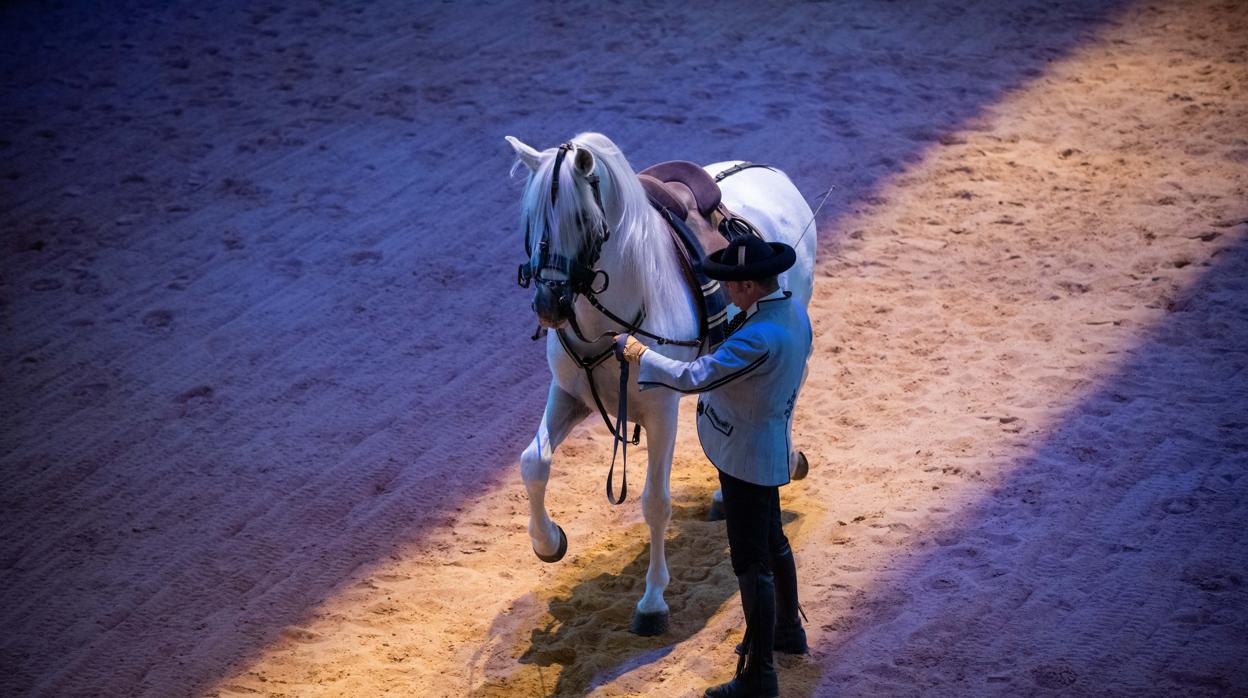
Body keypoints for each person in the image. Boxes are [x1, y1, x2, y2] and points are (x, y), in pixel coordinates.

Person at [618, 235, 812, 698]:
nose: (724, 291)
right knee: (773, 541)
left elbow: (693, 376)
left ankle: (760, 676)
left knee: (751, 564)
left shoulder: (758, 337)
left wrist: (640, 353)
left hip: (744, 455)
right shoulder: (790, 313)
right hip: (766, 443)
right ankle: (789, 630)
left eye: (729, 284)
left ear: (748, 286)